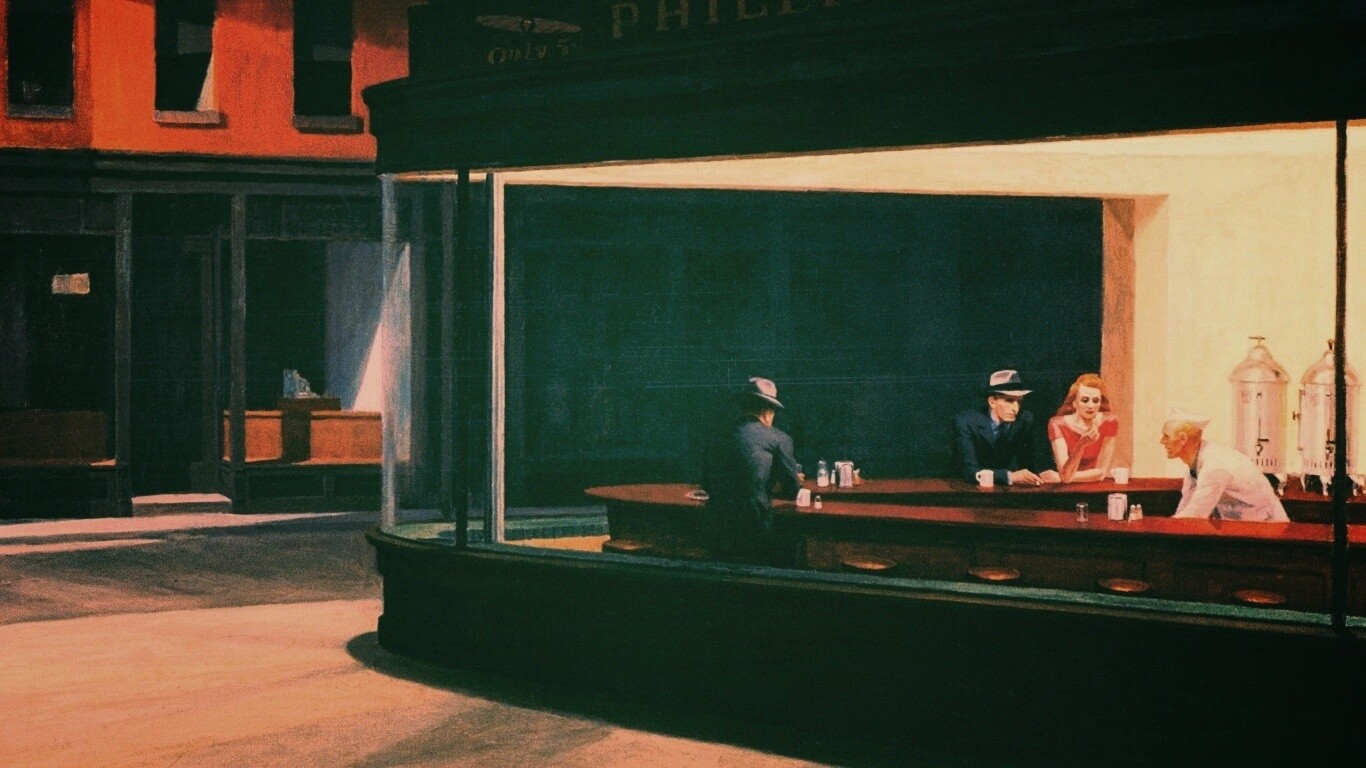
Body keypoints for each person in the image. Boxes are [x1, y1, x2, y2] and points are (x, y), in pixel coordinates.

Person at [702, 377, 803, 561]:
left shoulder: (718, 435)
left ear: (743, 407)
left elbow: (707, 483)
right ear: (768, 411)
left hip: (716, 525)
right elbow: (793, 489)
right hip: (754, 527)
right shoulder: (779, 438)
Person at [1161, 407, 1288, 522]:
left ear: (1183, 439)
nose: (1162, 441)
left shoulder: (1215, 466)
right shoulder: (1195, 465)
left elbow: (1195, 516)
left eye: (1166, 436)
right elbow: (1185, 507)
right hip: (1243, 528)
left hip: (1267, 530)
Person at [952, 369, 1061, 486]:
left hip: (1010, 490)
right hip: (968, 489)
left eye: (1019, 402)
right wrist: (1010, 476)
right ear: (992, 402)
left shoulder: (1025, 419)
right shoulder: (966, 422)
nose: (1016, 409)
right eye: (1009, 400)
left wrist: (1044, 473)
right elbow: (969, 471)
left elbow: (1032, 460)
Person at [1048, 373, 1120, 483]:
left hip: (1094, 485)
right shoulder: (1057, 423)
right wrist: (1080, 445)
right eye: (1085, 400)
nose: (1091, 406)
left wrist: (1060, 477)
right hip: (1066, 488)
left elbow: (1101, 473)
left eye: (1095, 401)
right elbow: (1066, 476)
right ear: (1074, 403)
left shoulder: (1110, 421)